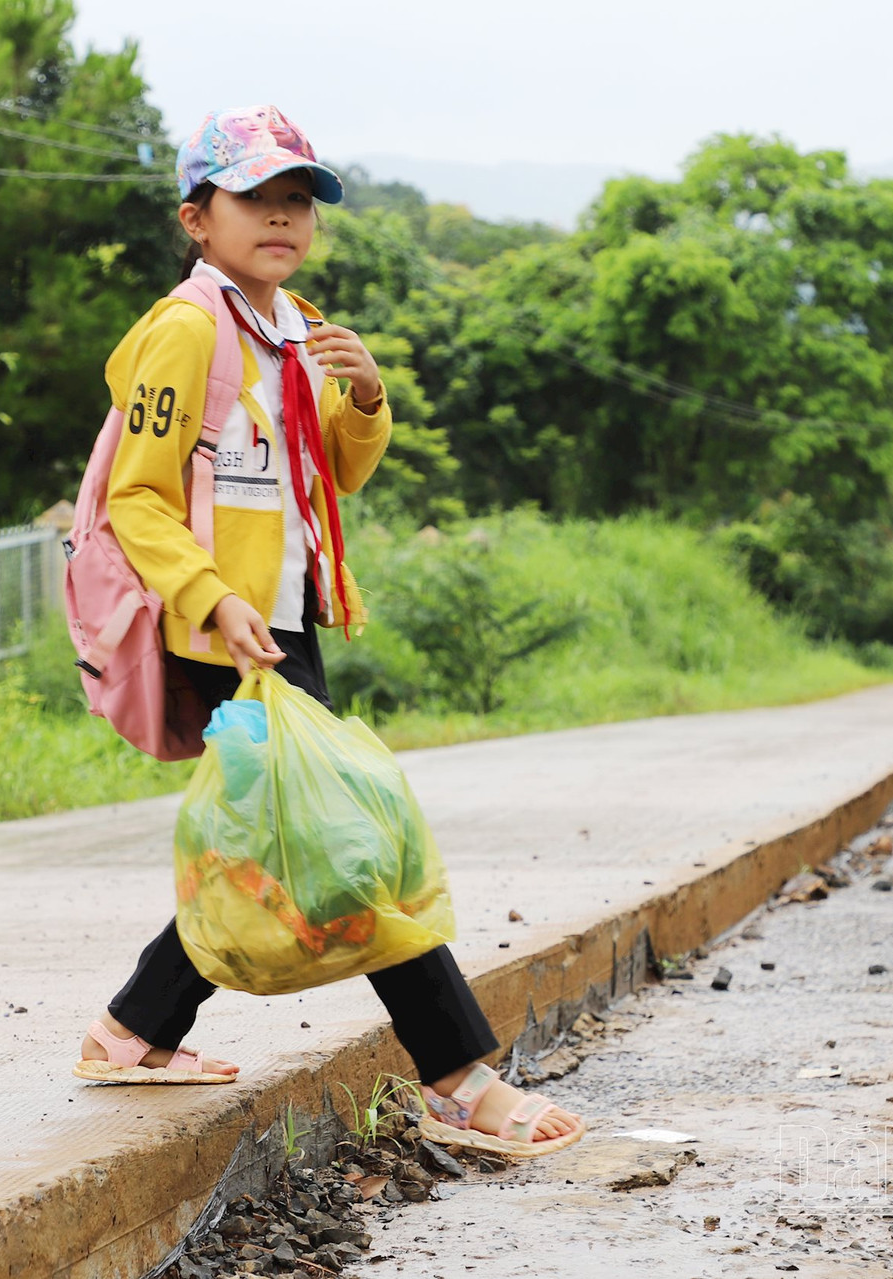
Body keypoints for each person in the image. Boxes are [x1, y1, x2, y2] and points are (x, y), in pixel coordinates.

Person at [72, 105, 583, 1158]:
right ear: (195, 218)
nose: (282, 217)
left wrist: (365, 395)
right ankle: (458, 1076)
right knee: (343, 849)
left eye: (298, 199)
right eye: (255, 197)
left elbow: (334, 473)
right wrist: (212, 597)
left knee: (276, 849)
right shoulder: (188, 327)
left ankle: (132, 1031)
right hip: (223, 630)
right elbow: (140, 497)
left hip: (284, 624)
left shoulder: (291, 325)